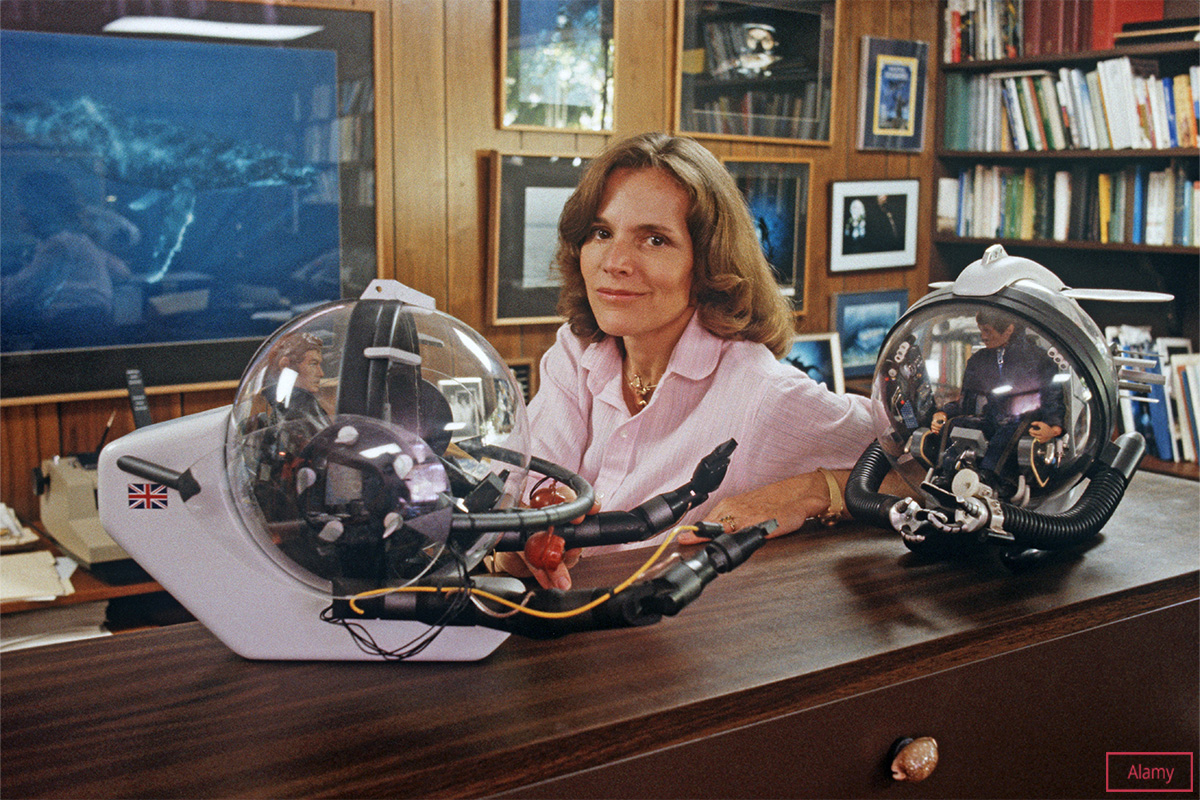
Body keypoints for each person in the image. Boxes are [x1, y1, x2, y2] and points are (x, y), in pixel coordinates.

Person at [496, 132, 882, 590]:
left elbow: (926, 465)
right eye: (601, 233)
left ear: (707, 264)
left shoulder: (760, 393)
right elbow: (521, 496)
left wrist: (815, 492)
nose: (615, 261)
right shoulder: (575, 354)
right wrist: (519, 544)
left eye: (654, 240)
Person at [927, 310, 1065, 491]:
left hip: (1026, 419)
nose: (983, 337)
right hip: (992, 416)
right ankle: (946, 472)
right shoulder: (978, 360)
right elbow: (965, 402)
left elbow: (1052, 397)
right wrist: (944, 413)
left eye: (987, 331)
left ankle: (989, 476)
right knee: (957, 423)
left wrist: (1053, 427)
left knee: (1009, 430)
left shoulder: (1039, 359)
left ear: (1008, 330)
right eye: (981, 330)